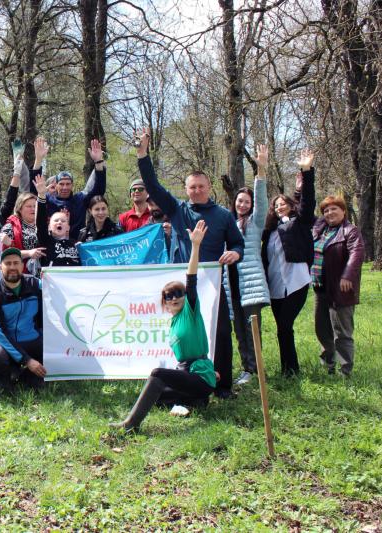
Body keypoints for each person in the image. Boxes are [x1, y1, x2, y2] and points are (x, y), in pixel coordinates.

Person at [135, 128, 243, 398]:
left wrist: (236, 254)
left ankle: (223, 385)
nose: (196, 191)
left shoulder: (223, 215)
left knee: (219, 332)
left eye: (201, 187)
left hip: (213, 285)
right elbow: (154, 187)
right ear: (186, 189)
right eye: (192, 187)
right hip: (183, 286)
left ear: (209, 188)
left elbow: (238, 243)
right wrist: (143, 154)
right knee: (186, 335)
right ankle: (186, 376)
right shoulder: (177, 209)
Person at [111, 221, 216, 432]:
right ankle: (195, 402)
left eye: (179, 293)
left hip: (200, 376)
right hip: (187, 375)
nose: (174, 298)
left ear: (185, 298)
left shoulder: (190, 312)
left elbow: (192, 279)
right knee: (155, 394)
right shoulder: (173, 323)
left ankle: (130, 424)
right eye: (169, 296)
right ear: (165, 303)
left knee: (157, 373)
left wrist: (195, 247)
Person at [261, 149, 316, 377]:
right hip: (275, 286)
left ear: (292, 206)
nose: (279, 207)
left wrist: (306, 172)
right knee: (283, 330)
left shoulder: (299, 223)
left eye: (284, 204)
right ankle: (288, 370)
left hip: (296, 282)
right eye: (276, 205)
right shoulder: (271, 231)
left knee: (285, 325)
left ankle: (291, 371)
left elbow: (308, 201)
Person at [229, 145, 271, 386]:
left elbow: (262, 199)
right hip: (232, 284)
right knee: (239, 330)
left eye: (246, 201)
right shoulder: (230, 222)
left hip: (251, 284)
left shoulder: (255, 222)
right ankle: (246, 368)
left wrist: (260, 169)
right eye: (239, 201)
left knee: (251, 328)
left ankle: (256, 370)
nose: (243, 204)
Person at [311, 196, 365, 376]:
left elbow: (356, 254)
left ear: (343, 211)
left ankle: (345, 371)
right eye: (326, 210)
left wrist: (347, 275)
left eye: (334, 209)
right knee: (322, 328)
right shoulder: (321, 229)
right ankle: (328, 365)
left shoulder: (350, 231)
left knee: (342, 332)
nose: (329, 213)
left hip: (341, 289)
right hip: (320, 288)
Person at [0, 248, 47, 392]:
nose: (12, 267)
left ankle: (25, 376)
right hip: (1, 341)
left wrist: (51, 277)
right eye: (8, 263)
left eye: (16, 263)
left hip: (30, 336)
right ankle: (6, 378)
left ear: (22, 266)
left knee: (55, 350)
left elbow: (57, 288)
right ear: (0, 268)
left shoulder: (35, 284)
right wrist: (27, 360)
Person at [29, 137, 107, 239]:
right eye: (61, 184)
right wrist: (38, 160)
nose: (65, 187)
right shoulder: (48, 199)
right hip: (52, 247)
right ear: (56, 185)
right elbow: (35, 190)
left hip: (76, 246)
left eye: (68, 184)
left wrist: (98, 162)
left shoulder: (80, 199)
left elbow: (99, 190)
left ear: (72, 185)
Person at [34, 175, 81, 267]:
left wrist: (82, 248)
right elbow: (40, 222)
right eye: (56, 220)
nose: (59, 222)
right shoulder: (45, 241)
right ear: (49, 226)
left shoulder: (76, 245)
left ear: (68, 227)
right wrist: (41, 196)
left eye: (63, 221)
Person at [0, 192, 46, 274]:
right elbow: (4, 255)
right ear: (19, 209)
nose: (33, 209)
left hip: (46, 272)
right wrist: (28, 253)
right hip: (22, 274)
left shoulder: (47, 224)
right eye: (29, 206)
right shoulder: (10, 227)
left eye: (35, 206)